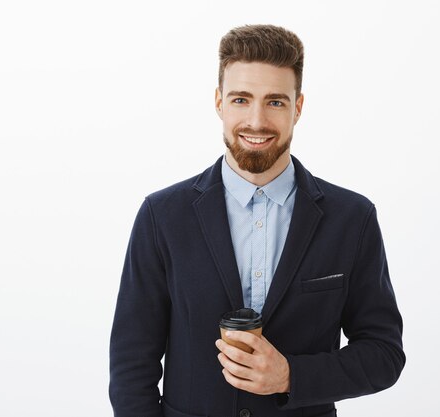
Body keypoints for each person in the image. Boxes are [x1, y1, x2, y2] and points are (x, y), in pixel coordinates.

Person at [109, 24, 405, 417]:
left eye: (276, 102)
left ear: (298, 107)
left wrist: (290, 376)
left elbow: (384, 354)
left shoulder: (352, 219)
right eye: (241, 99)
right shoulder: (161, 216)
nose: (256, 120)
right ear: (219, 102)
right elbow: (132, 368)